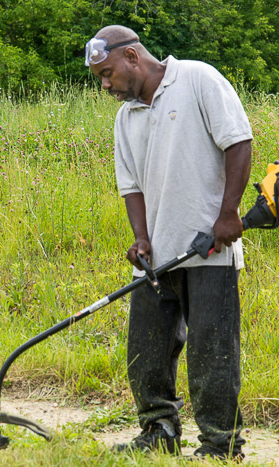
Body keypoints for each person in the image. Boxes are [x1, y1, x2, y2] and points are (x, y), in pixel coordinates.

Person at [86, 25, 252, 460]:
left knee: (211, 356)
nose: (106, 85)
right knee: (147, 352)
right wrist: (141, 239)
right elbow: (132, 187)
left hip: (208, 250)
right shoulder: (126, 118)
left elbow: (238, 142)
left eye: (108, 74)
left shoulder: (198, 79)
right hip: (157, 259)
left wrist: (228, 213)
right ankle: (158, 432)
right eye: (100, 78)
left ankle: (221, 444)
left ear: (133, 58)